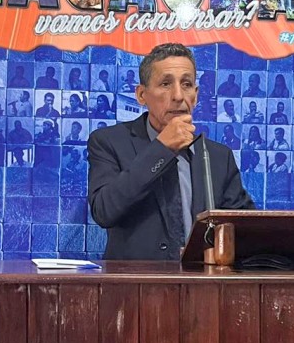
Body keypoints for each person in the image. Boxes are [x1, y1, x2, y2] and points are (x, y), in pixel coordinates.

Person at [87, 43, 254, 260]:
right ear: (141, 95)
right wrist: (161, 149)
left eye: (186, 84)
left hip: (202, 279)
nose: (178, 95)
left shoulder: (218, 156)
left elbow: (246, 229)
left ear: (195, 95)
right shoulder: (109, 142)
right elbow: (104, 211)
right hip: (136, 279)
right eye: (165, 84)